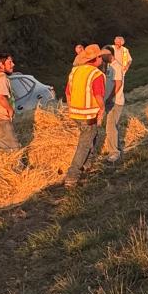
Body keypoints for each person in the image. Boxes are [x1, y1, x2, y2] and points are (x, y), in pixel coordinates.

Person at [62, 44, 108, 187]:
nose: (102, 58)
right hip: (89, 114)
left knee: (92, 135)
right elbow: (98, 95)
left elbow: (67, 93)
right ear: (96, 59)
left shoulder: (74, 72)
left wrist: (71, 108)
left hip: (76, 113)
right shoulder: (96, 74)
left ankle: (87, 165)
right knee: (85, 143)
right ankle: (72, 175)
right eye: (100, 56)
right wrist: (102, 109)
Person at [101, 44, 127, 163]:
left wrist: (109, 98)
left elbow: (118, 84)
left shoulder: (117, 66)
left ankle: (115, 153)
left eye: (103, 54)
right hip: (109, 101)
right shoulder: (108, 67)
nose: (101, 56)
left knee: (111, 127)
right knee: (111, 126)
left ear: (109, 54)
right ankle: (116, 147)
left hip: (115, 101)